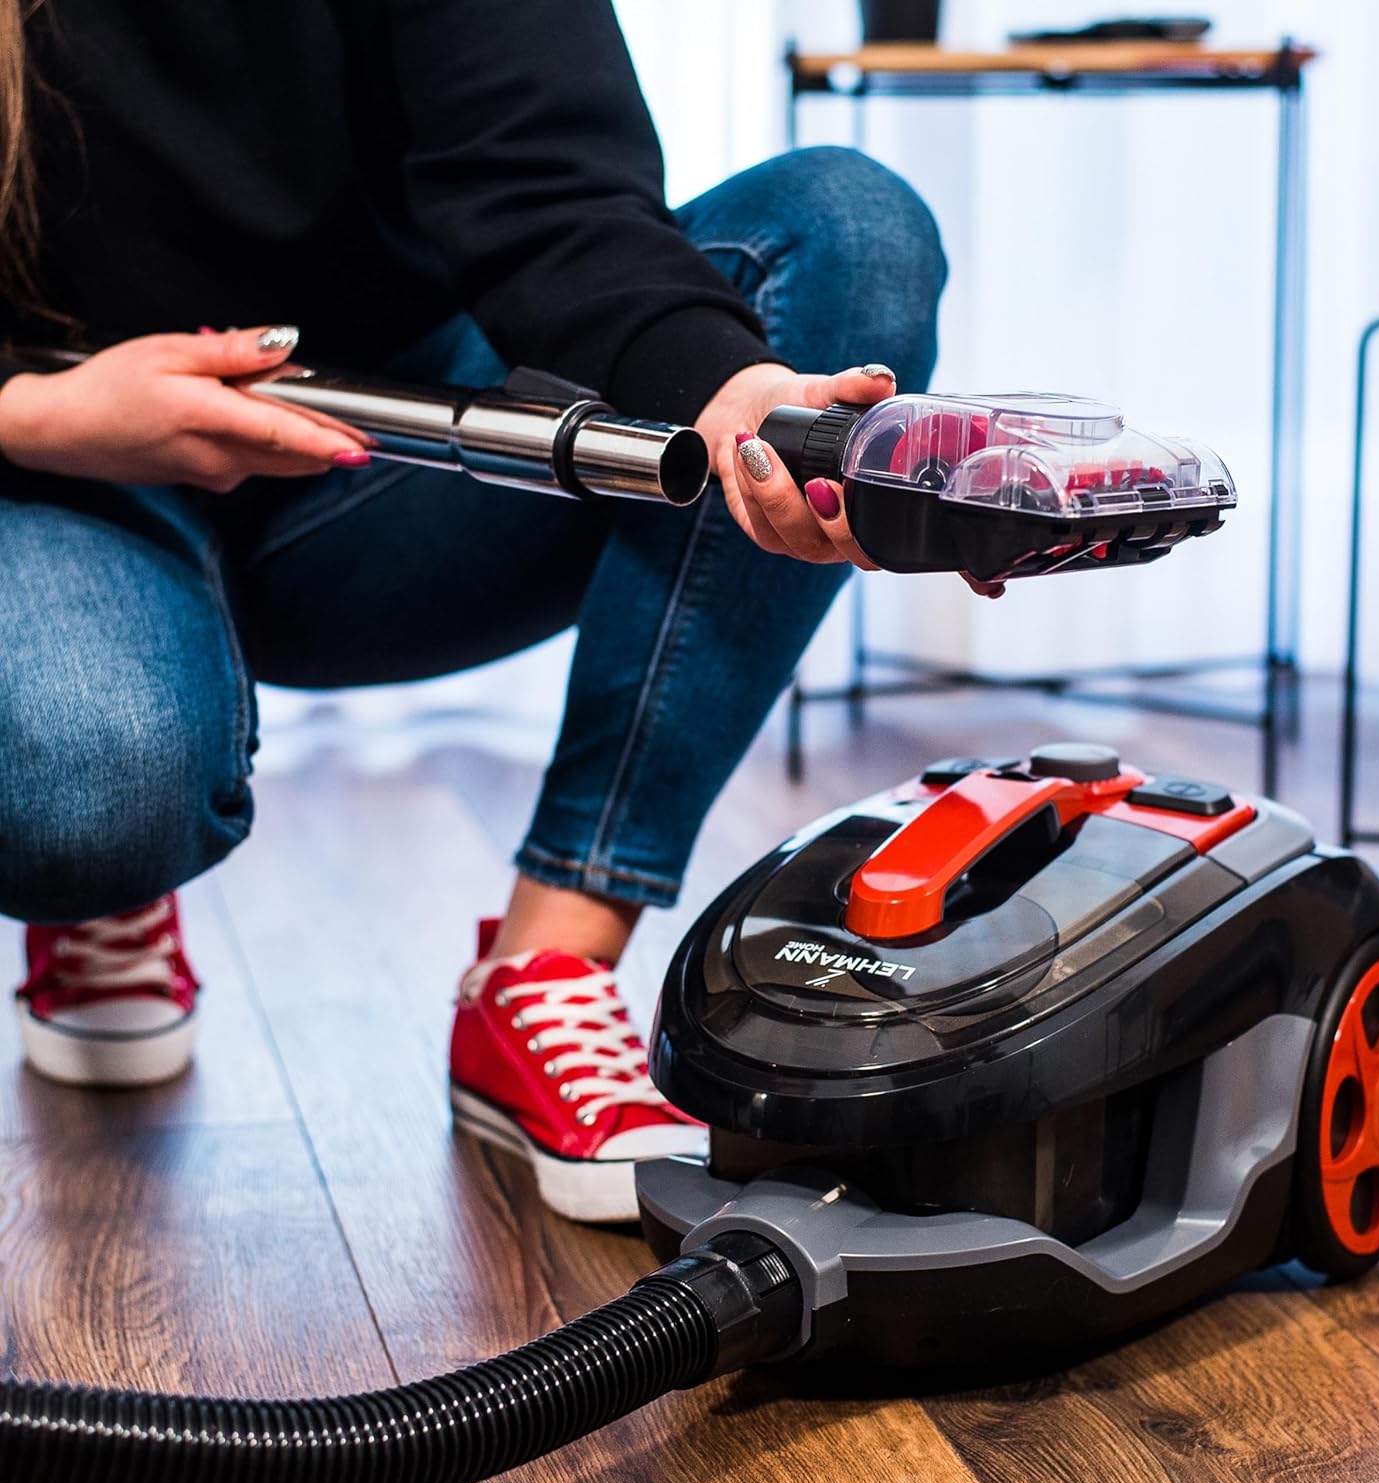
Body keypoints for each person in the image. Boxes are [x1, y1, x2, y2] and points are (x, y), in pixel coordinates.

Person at [0, 0, 949, 1222]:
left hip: (367, 459)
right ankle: (114, 837)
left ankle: (545, 959)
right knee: (90, 786)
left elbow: (548, 190)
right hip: (56, 462)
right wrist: (38, 416)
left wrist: (737, 389)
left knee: (849, 230)